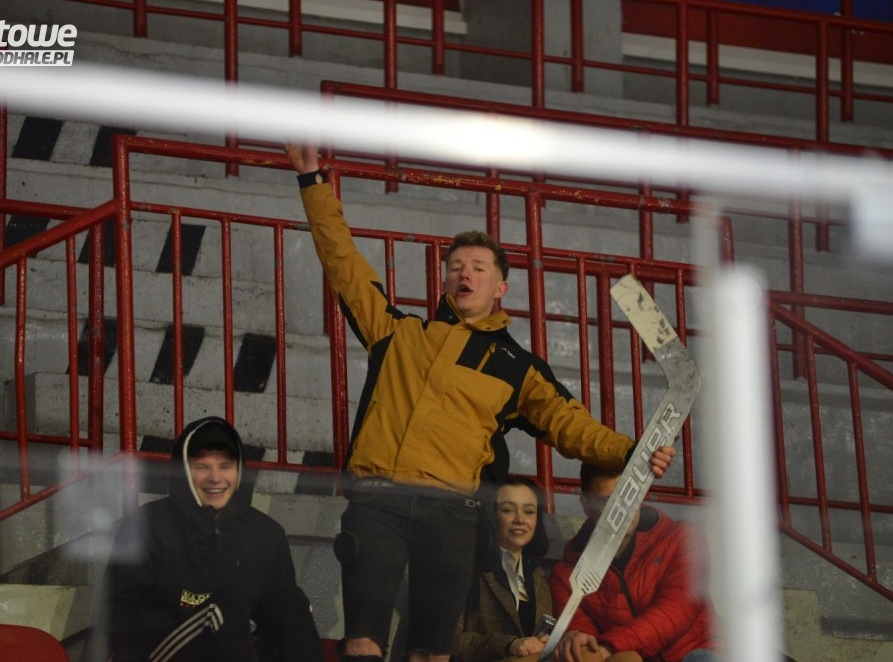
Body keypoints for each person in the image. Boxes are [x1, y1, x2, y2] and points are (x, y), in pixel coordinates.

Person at [286, 144, 675, 662]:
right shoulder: (398, 333)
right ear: (446, 280)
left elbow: (569, 423)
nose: (464, 274)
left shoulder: (517, 366)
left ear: (500, 287)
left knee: (432, 653)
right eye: (456, 267)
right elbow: (344, 263)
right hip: (378, 499)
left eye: (478, 267)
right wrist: (312, 181)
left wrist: (631, 452)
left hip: (452, 512)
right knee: (362, 643)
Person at [104, 416, 323, 662]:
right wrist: (199, 619)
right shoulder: (146, 525)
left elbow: (278, 616)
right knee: (224, 607)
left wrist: (239, 629)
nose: (215, 478)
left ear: (239, 471)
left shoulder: (267, 534)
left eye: (225, 466)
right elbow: (119, 618)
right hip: (154, 652)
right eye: (202, 466)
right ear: (184, 471)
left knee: (293, 604)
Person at [549, 463, 719, 662]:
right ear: (586, 504)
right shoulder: (566, 576)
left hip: (700, 653)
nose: (622, 509)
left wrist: (609, 646)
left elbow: (676, 610)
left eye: (630, 495)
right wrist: (583, 641)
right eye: (607, 501)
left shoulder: (683, 537)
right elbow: (587, 646)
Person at [452, 475, 554, 662]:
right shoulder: (466, 566)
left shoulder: (538, 575)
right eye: (508, 510)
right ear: (491, 515)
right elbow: (444, 641)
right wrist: (509, 645)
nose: (520, 519)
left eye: (529, 512)